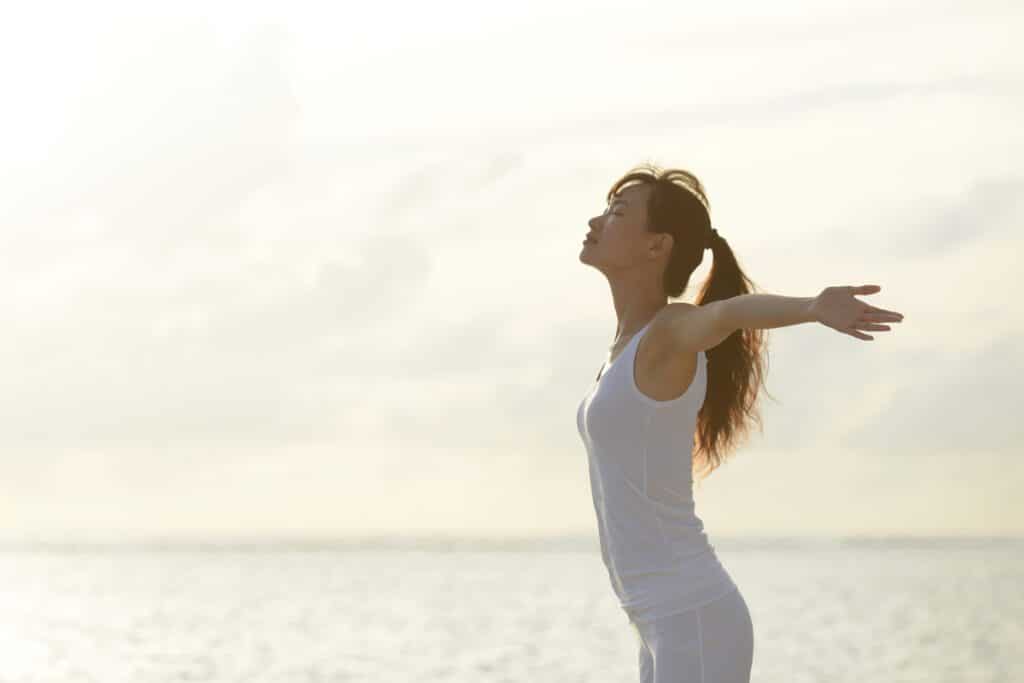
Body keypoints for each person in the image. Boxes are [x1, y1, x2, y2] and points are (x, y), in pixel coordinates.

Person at [576, 163, 904, 683]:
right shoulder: (623, 351)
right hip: (656, 617)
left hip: (691, 614)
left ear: (657, 246)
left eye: (616, 213)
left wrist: (813, 307)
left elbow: (727, 314)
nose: (596, 221)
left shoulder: (670, 331)